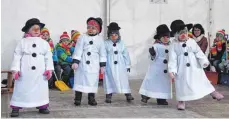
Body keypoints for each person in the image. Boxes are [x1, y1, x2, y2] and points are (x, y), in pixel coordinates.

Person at [168, 20, 224, 110]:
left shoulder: (191, 42)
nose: (183, 35)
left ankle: (213, 92)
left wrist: (204, 61)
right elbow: (172, 59)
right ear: (176, 34)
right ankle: (181, 101)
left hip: (195, 67)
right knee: (182, 85)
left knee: (202, 80)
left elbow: (198, 52)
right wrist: (172, 70)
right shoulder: (173, 45)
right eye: (180, 33)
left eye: (185, 32)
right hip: (181, 69)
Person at [10, 18, 53, 117]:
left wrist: (49, 69)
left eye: (38, 28)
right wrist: (15, 70)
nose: (36, 30)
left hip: (40, 71)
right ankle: (16, 106)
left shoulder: (44, 43)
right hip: (25, 70)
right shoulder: (22, 42)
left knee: (40, 88)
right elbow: (17, 55)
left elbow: (48, 56)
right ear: (28, 30)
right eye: (34, 28)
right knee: (21, 87)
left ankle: (42, 105)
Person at [71, 17, 106, 106]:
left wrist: (102, 65)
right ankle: (78, 98)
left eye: (93, 28)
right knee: (80, 81)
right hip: (83, 63)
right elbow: (78, 50)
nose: (90, 29)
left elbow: (102, 53)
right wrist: (76, 61)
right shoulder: (82, 37)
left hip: (94, 64)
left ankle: (91, 98)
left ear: (98, 30)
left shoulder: (100, 40)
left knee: (92, 81)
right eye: (88, 27)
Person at [139, 24, 171, 105]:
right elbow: (152, 57)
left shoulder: (171, 45)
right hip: (156, 68)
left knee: (163, 84)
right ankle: (146, 95)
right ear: (159, 37)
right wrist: (153, 54)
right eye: (164, 37)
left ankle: (161, 98)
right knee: (152, 82)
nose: (166, 39)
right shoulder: (156, 45)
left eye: (167, 37)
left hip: (166, 69)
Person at [104, 22, 134, 103]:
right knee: (109, 79)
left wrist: (127, 65)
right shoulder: (105, 43)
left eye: (115, 35)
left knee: (123, 79)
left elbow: (125, 54)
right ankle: (108, 95)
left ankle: (128, 94)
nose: (114, 37)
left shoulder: (121, 43)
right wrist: (103, 64)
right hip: (109, 65)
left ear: (118, 35)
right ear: (109, 35)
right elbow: (103, 54)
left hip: (121, 65)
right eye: (112, 35)